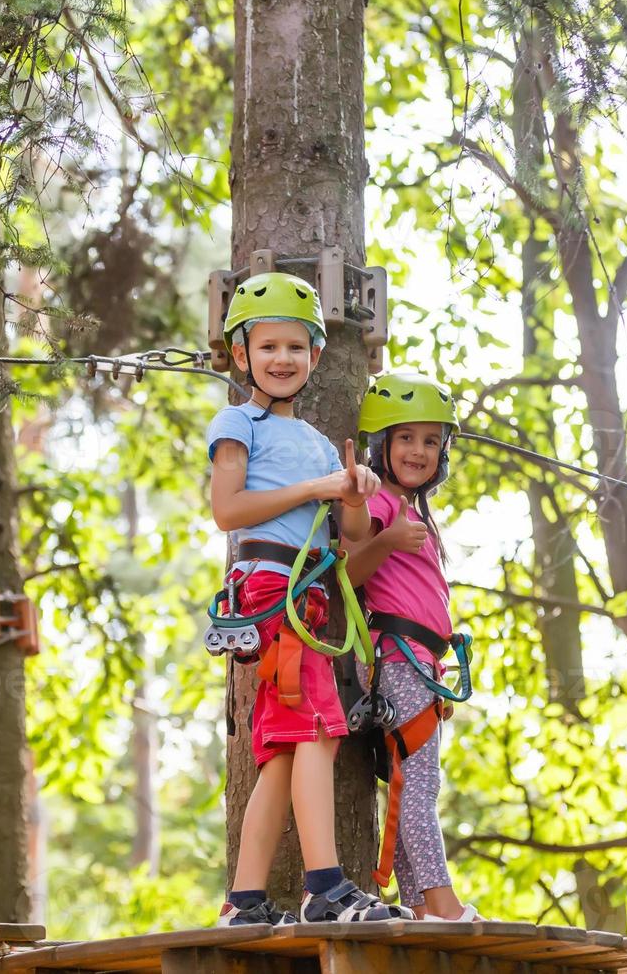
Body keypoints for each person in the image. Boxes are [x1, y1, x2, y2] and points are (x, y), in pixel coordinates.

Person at [208, 271, 408, 927]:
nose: (282, 359)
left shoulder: (323, 446)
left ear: (315, 356)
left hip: (311, 597)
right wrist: (315, 486)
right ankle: (325, 888)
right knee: (320, 731)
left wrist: (352, 496)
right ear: (242, 355)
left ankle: (243, 901)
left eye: (296, 347)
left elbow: (349, 542)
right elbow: (228, 509)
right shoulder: (238, 422)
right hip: (270, 590)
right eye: (268, 347)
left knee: (290, 746)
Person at [344, 371, 479, 921]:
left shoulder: (411, 508)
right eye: (406, 438)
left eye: (430, 440)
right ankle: (440, 900)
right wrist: (388, 540)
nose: (419, 450)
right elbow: (349, 570)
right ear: (382, 445)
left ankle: (418, 902)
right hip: (397, 656)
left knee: (411, 778)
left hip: (419, 660)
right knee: (420, 780)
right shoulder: (382, 505)